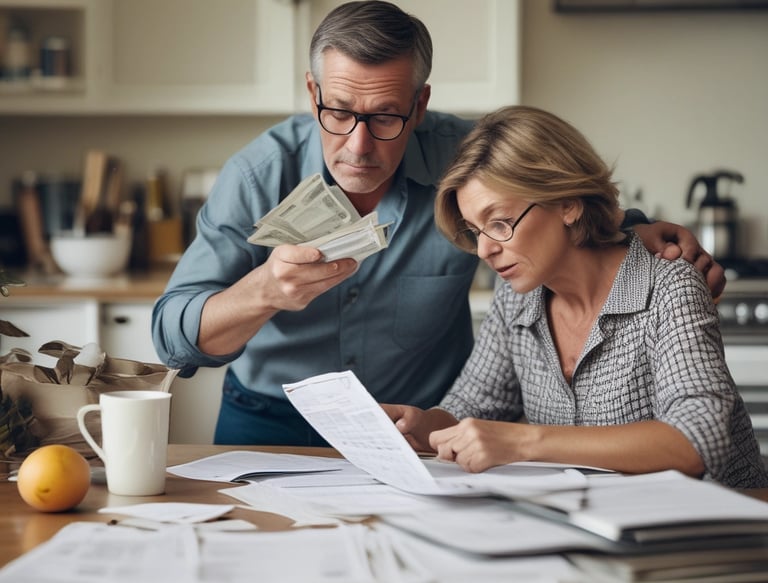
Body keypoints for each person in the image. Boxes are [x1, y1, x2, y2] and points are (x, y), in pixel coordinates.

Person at [152, 1, 725, 447]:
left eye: (385, 117)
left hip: (422, 423)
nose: (358, 145)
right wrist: (263, 291)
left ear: (420, 105)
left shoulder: (464, 158)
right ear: (313, 93)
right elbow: (172, 337)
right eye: (339, 112)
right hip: (270, 417)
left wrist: (634, 232)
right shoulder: (257, 175)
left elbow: (554, 201)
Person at [383, 105, 767, 489]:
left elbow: (697, 443)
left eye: (499, 223)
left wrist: (522, 441)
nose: (484, 250)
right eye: (475, 230)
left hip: (714, 528)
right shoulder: (516, 299)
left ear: (567, 203)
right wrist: (424, 426)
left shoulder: (669, 286)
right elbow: (470, 406)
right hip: (598, 523)